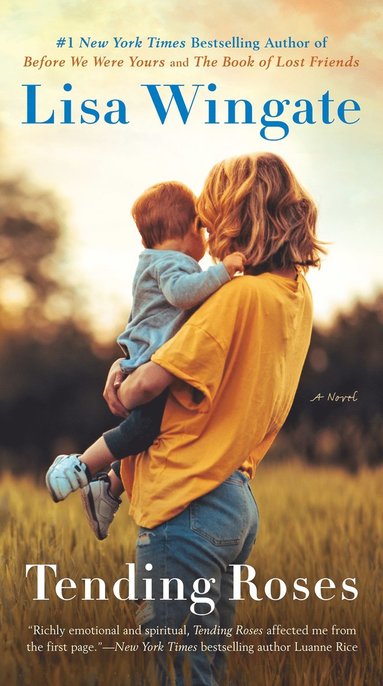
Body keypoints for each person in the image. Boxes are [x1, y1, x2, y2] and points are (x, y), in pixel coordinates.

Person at [102, 152, 325, 686]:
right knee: (205, 666)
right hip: (234, 500)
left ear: (233, 215)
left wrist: (120, 381)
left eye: (209, 214)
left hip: (186, 499)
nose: (204, 226)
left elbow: (147, 384)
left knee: (176, 670)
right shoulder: (293, 294)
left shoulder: (236, 295)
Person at [45, 181, 244, 540]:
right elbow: (183, 295)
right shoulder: (172, 263)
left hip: (144, 357)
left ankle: (107, 489)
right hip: (149, 362)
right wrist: (224, 271)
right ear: (188, 230)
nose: (207, 239)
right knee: (141, 430)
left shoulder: (155, 260)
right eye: (203, 228)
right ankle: (79, 467)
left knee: (155, 433)